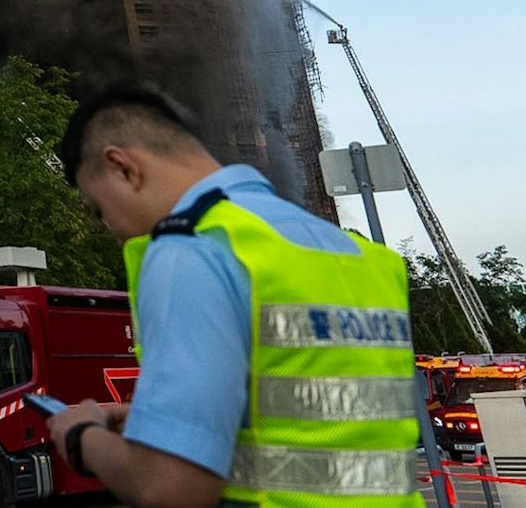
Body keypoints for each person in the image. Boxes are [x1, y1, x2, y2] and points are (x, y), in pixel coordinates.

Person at [43, 84, 421, 508]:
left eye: (98, 209)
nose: (109, 228)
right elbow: (322, 414)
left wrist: (80, 436)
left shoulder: (193, 248)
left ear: (123, 168)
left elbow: (169, 488)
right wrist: (164, 424)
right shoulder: (362, 256)